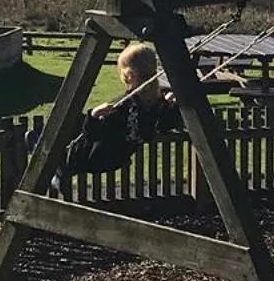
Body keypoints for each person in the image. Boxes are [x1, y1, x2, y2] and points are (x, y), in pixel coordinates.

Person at [54, 41, 182, 191]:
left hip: (98, 156)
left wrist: (94, 116)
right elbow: (164, 125)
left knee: (78, 130)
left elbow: (95, 133)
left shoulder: (125, 105)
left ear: (128, 75)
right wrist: (171, 106)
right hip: (117, 157)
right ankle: (55, 162)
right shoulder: (156, 101)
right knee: (77, 124)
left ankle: (58, 166)